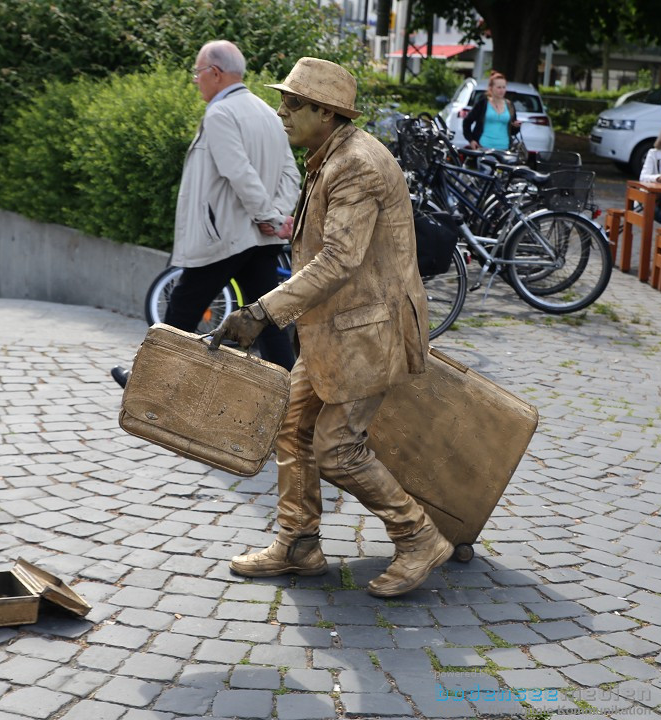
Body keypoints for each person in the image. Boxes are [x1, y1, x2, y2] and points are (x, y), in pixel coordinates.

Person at [212, 57, 450, 598]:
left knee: (337, 448)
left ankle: (418, 536)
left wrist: (262, 312)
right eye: (285, 101)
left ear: (326, 112)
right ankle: (298, 544)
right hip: (333, 330)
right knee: (291, 429)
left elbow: (340, 258)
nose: (282, 112)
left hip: (369, 333)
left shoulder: (356, 166)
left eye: (293, 104)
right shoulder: (331, 155)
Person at [111, 40, 299, 387]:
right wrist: (276, 216)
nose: (196, 80)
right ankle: (291, 395)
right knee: (268, 320)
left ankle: (147, 386)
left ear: (215, 73)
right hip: (257, 239)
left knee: (181, 310)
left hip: (224, 238)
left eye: (198, 73)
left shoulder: (220, 113)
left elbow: (238, 172)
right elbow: (291, 175)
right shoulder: (267, 114)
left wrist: (268, 217)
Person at [463, 71, 521, 152]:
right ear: (491, 88)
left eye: (504, 87)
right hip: (483, 147)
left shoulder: (509, 105)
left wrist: (516, 127)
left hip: (504, 148)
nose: (502, 90)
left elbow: (512, 131)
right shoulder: (483, 103)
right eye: (499, 87)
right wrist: (471, 140)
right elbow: (467, 122)